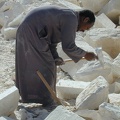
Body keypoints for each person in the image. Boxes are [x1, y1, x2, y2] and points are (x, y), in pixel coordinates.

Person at [15, 5, 97, 108]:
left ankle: (34, 96)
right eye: (87, 27)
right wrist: (86, 54)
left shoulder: (69, 16)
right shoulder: (71, 18)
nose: (84, 31)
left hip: (29, 30)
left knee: (48, 62)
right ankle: (46, 99)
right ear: (85, 19)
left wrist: (56, 57)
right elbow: (69, 46)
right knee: (47, 65)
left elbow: (51, 40)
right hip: (31, 31)